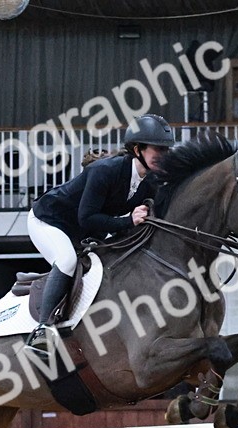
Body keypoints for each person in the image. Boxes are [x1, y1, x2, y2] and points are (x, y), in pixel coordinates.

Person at [26, 113, 175, 354]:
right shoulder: (104, 170)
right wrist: (129, 220)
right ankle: (42, 330)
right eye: (158, 149)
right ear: (137, 149)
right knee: (66, 260)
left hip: (85, 230)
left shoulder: (151, 181)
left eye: (167, 150)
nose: (164, 156)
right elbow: (87, 217)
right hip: (50, 221)